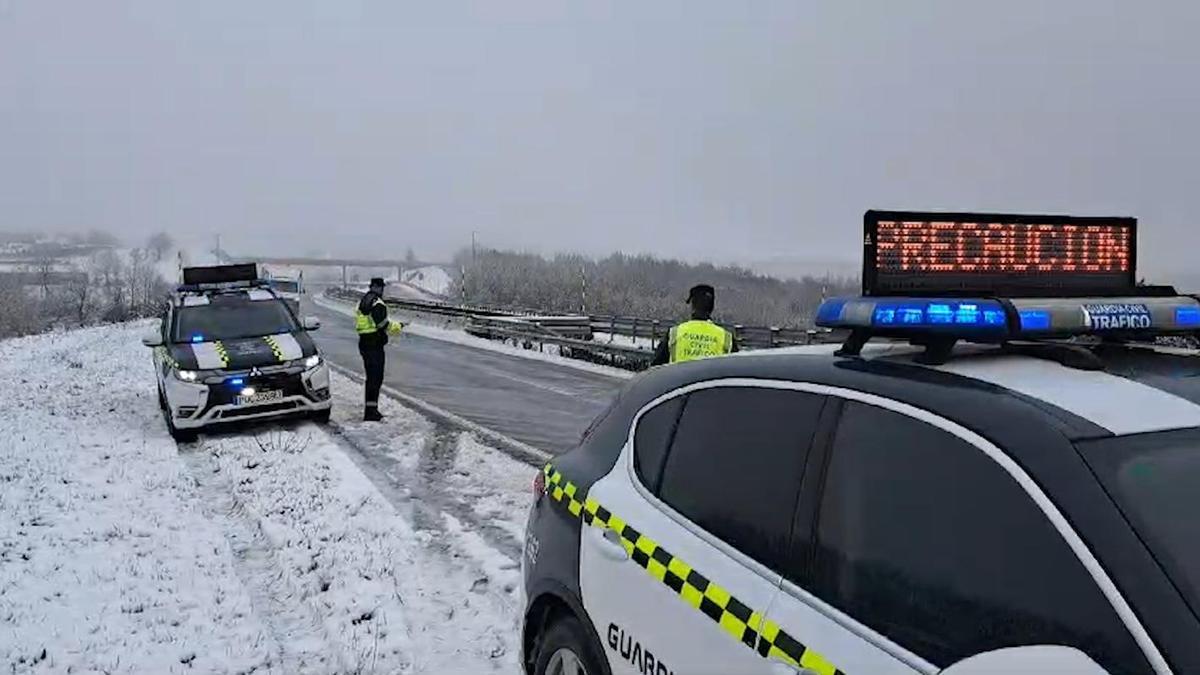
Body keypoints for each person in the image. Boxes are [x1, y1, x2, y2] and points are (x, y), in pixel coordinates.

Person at [651, 283, 736, 366]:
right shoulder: (726, 338)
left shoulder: (674, 334)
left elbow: (655, 368)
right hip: (712, 380)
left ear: (692, 306)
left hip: (681, 380)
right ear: (712, 308)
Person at [355, 277, 403, 421]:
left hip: (364, 342)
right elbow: (382, 324)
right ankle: (371, 412)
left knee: (371, 379)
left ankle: (370, 410)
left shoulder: (362, 301)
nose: (382, 290)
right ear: (379, 288)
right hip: (374, 344)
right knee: (376, 379)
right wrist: (398, 326)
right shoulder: (377, 303)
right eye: (382, 288)